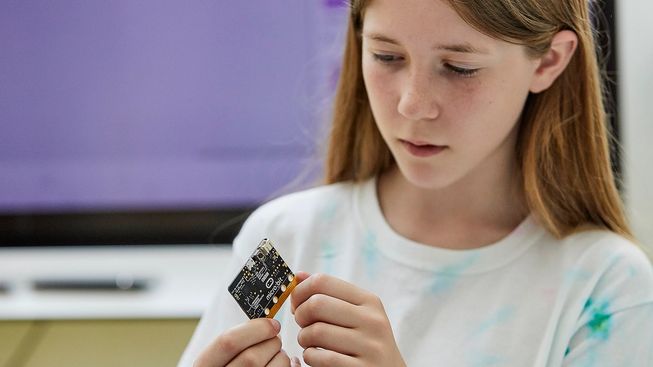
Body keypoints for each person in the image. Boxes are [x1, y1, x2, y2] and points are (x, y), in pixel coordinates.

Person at [179, 0, 653, 365]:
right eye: (386, 56)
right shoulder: (281, 239)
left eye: (459, 67)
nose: (412, 104)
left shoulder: (607, 289)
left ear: (549, 61)